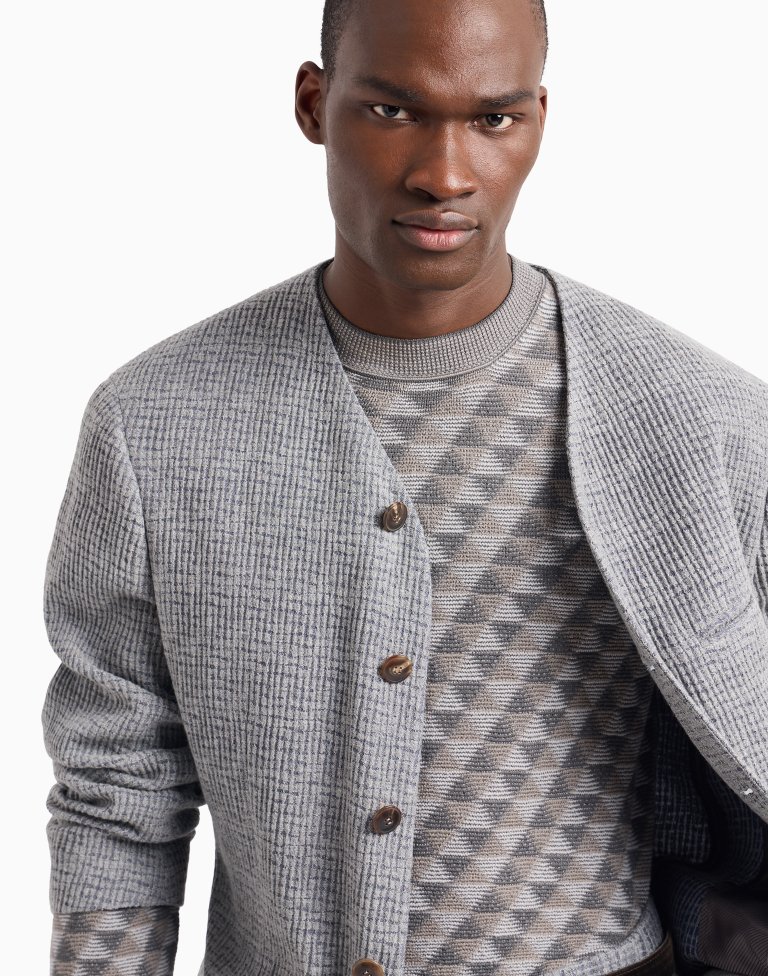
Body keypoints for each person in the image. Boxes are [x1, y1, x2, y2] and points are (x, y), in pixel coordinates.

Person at [42, 0, 768, 974]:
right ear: (314, 103)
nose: (445, 174)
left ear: (539, 119)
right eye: (393, 111)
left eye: (493, 118)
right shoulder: (156, 423)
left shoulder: (704, 421)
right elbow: (116, 788)